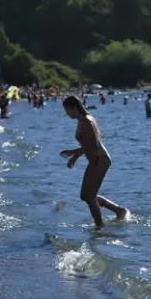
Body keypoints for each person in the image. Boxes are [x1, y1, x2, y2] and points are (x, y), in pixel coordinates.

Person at [59, 96, 129, 228]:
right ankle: (118, 211)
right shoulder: (82, 120)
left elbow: (94, 145)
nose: (66, 114)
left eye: (67, 111)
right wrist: (75, 157)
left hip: (100, 160)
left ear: (74, 108)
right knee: (85, 196)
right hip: (96, 160)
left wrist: (74, 152)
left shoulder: (87, 121)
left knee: (90, 197)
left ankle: (99, 228)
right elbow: (87, 144)